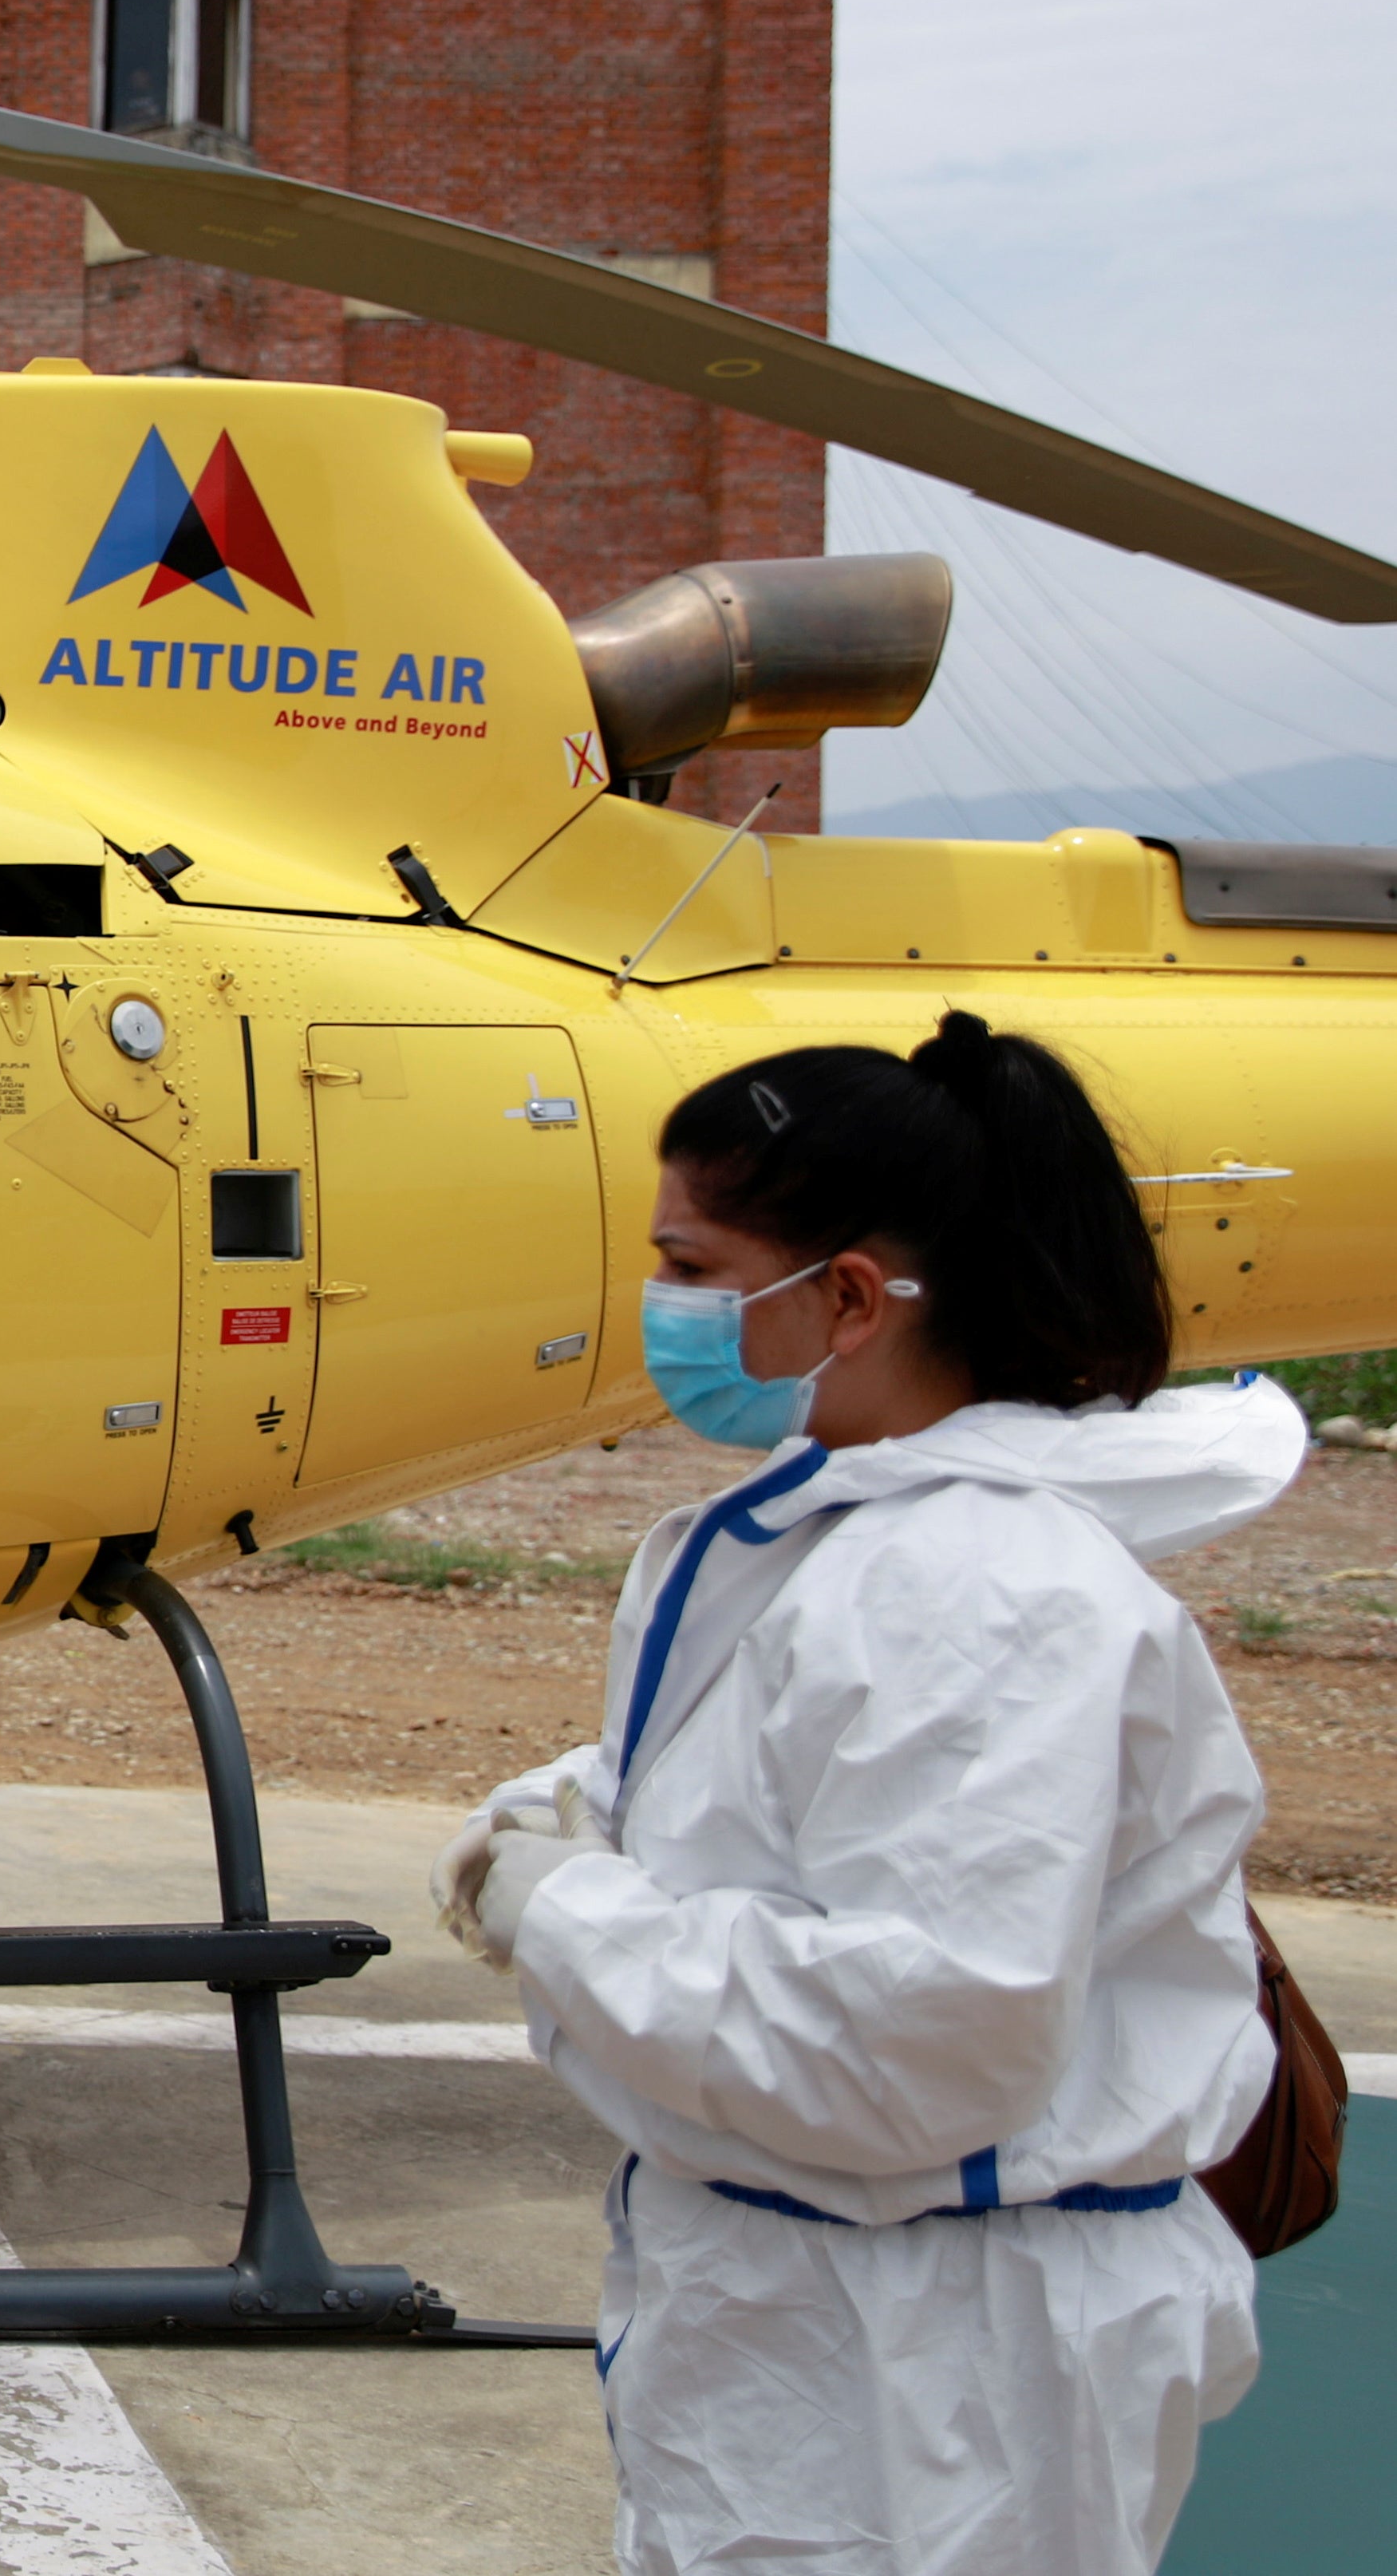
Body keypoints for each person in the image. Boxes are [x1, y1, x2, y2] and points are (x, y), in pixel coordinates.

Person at [435, 1012, 1294, 2576]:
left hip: (935, 2369)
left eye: (692, 1269)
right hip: (824, 2319)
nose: (663, 1308)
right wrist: (577, 1806)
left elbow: (920, 2037)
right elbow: (781, 1792)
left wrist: (568, 1910)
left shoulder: (979, 1588)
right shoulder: (839, 1534)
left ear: (844, 1296)